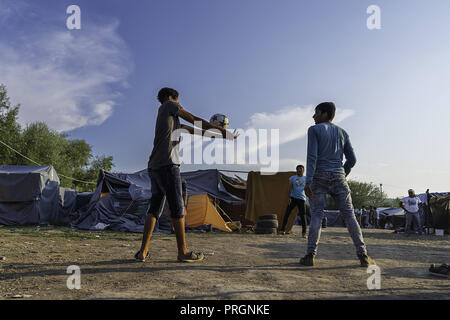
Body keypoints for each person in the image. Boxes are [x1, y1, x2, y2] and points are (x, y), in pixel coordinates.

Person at [135, 87, 238, 262]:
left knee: (154, 208)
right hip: (168, 165)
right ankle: (182, 252)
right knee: (177, 207)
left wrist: (222, 135)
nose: (180, 104)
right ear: (171, 97)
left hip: (154, 166)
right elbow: (195, 120)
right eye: (178, 100)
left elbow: (198, 130)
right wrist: (220, 130)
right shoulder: (169, 105)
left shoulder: (172, 122)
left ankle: (143, 252)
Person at [299, 102, 375, 267]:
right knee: (349, 215)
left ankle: (310, 255)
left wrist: (308, 181)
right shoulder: (343, 133)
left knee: (317, 214)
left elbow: (312, 157)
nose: (313, 116)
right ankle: (363, 255)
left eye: (316, 113)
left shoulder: (314, 130)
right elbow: (352, 160)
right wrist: (343, 173)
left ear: (325, 114)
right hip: (339, 176)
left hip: (319, 176)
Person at [279, 165, 308, 237]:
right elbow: (290, 187)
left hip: (302, 199)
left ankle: (304, 233)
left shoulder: (306, 178)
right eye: (298, 169)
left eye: (301, 169)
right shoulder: (292, 178)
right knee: (287, 214)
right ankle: (282, 230)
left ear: (303, 170)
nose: (299, 171)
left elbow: (308, 188)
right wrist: (289, 197)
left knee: (303, 216)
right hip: (293, 198)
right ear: (296, 170)